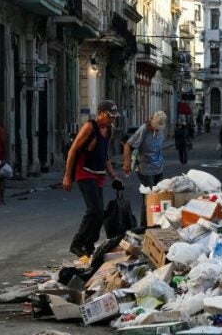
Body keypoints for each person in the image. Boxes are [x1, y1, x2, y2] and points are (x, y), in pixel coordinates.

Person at [63, 100, 123, 258]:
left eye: (114, 117)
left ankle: (89, 245)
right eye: (110, 117)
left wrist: (114, 176)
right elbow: (73, 150)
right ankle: (76, 243)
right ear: (102, 113)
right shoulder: (90, 127)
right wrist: (68, 176)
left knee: (99, 213)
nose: (112, 120)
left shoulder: (109, 130)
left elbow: (105, 156)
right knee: (94, 209)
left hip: (98, 174)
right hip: (84, 172)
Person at [123, 110, 167, 226]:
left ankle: (155, 224)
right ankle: (144, 226)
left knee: (158, 198)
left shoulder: (160, 131)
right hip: (146, 170)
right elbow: (128, 145)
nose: (157, 129)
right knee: (148, 199)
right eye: (156, 126)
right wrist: (127, 163)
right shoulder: (144, 130)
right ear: (152, 122)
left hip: (159, 168)